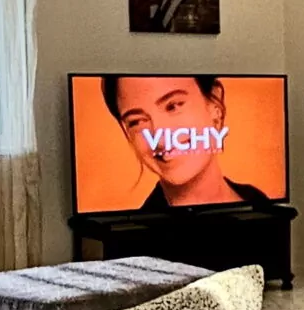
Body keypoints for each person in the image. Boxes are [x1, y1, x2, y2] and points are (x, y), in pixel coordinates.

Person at [102, 74, 262, 209]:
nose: (161, 139)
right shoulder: (135, 234)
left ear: (215, 103)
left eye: (173, 106)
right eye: (136, 122)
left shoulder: (257, 200)